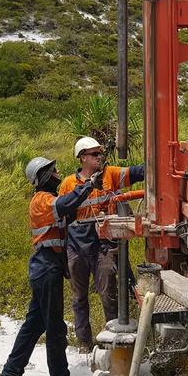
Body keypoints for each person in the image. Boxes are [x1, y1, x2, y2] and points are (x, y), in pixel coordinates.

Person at [0, 156, 96, 376]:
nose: (58, 173)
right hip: (46, 267)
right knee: (55, 327)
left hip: (46, 268)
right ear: (43, 176)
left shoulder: (50, 200)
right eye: (54, 171)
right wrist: (88, 185)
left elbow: (69, 208)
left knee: (35, 323)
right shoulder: (41, 201)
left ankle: (11, 372)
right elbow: (65, 205)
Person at [58, 136, 144, 352]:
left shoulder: (110, 175)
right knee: (79, 297)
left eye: (100, 153)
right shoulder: (69, 184)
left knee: (108, 293)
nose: (100, 157)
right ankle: (84, 343)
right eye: (95, 154)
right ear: (82, 158)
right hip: (76, 245)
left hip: (103, 244)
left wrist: (156, 163)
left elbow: (136, 172)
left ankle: (112, 343)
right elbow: (62, 215)